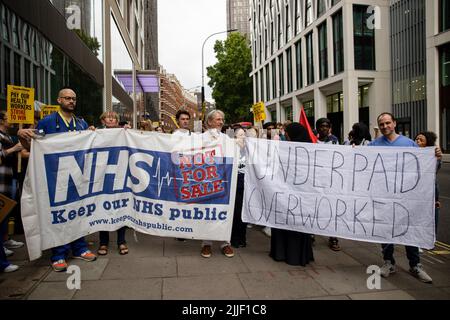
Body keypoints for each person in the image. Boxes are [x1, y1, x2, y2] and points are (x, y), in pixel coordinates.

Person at [18, 88, 97, 272]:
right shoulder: (47, 122)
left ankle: (80, 248)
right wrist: (22, 137)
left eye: (74, 99)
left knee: (78, 212)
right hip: (54, 177)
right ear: (59, 100)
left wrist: (94, 134)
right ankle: (59, 253)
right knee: (58, 214)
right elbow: (32, 147)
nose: (71, 101)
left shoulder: (81, 124)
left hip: (78, 178)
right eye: (67, 98)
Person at [369, 112, 442, 283]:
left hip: (407, 197)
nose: (385, 126)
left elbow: (425, 169)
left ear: (394, 123)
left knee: (410, 230)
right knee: (386, 230)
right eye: (382, 124)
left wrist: (436, 158)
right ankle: (388, 263)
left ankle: (415, 265)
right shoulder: (373, 145)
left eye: (388, 123)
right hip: (385, 196)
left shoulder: (409, 144)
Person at [269, 123, 314, 266]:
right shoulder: (285, 148)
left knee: (295, 225)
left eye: (287, 133)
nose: (285, 135)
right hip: (285, 193)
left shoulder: (310, 150)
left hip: (298, 195)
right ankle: (286, 253)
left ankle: (290, 254)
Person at [200, 110, 234, 258]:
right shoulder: (200, 138)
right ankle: (206, 243)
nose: (221, 122)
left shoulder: (226, 138)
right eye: (218, 119)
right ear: (209, 122)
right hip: (206, 180)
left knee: (223, 210)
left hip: (223, 180)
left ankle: (225, 242)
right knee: (207, 211)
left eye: (222, 119)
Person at [96, 111, 129, 256]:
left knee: (120, 208)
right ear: (103, 120)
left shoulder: (124, 133)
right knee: (102, 209)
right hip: (102, 176)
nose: (111, 118)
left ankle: (121, 241)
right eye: (108, 117)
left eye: (114, 117)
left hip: (120, 175)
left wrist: (130, 132)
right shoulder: (96, 134)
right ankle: (103, 242)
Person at [0, 112, 23, 273]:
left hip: (9, 181)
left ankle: (4, 241)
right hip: (2, 183)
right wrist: (14, 149)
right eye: (8, 118)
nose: (12, 121)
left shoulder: (6, 136)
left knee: (5, 215)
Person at [315, 118, 341, 251]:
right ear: (317, 128)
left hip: (330, 180)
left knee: (332, 209)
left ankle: (333, 237)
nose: (323, 128)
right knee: (313, 207)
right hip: (315, 179)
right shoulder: (313, 140)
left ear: (329, 128)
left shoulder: (334, 140)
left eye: (326, 126)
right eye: (321, 126)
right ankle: (311, 233)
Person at [414, 131, 441, 238]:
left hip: (428, 192)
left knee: (431, 217)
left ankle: (429, 239)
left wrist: (437, 157)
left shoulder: (432, 156)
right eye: (416, 139)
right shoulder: (410, 153)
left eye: (421, 140)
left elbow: (434, 173)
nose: (417, 141)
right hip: (415, 192)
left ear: (427, 143)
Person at [230, 127, 247, 248]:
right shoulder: (231, 149)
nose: (243, 137)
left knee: (244, 211)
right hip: (235, 182)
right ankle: (234, 238)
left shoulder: (249, 149)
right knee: (236, 212)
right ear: (235, 137)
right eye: (241, 135)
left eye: (244, 134)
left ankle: (242, 238)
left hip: (246, 182)